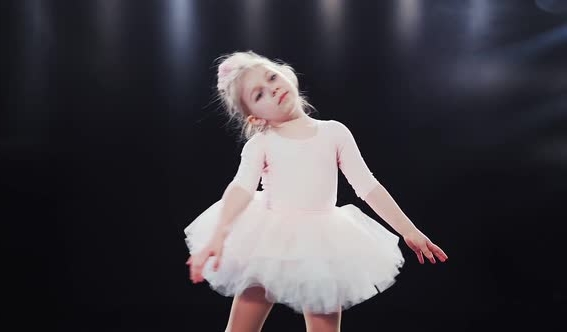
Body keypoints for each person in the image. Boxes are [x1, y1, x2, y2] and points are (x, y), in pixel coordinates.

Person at [184, 50, 448, 332]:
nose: (272, 89)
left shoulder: (334, 132)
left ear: (286, 74)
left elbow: (367, 186)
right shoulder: (261, 144)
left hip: (323, 243)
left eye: (272, 77)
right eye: (258, 95)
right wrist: (220, 232)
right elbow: (241, 187)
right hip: (267, 241)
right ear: (254, 118)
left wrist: (408, 230)